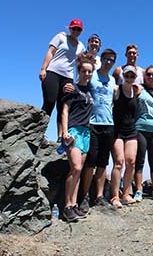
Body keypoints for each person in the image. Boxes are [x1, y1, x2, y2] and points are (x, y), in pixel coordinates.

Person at [65, 49, 118, 213]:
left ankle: (99, 196)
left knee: (103, 162)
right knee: (90, 163)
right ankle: (84, 196)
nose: (109, 62)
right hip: (92, 124)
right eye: (106, 59)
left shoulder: (113, 79)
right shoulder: (92, 75)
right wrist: (67, 85)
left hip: (108, 124)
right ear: (101, 59)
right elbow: (79, 84)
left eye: (112, 60)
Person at [39, 19, 86, 142]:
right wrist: (43, 69)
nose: (76, 31)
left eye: (78, 29)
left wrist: (78, 81)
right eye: (74, 28)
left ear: (81, 31)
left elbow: (79, 64)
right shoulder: (60, 37)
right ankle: (39, 132)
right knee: (49, 102)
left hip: (68, 77)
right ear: (69, 28)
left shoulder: (81, 46)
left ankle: (60, 137)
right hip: (53, 72)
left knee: (63, 106)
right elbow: (50, 52)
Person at [60, 56, 94, 222]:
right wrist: (65, 132)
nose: (87, 73)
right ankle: (66, 206)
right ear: (78, 71)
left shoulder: (90, 90)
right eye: (84, 71)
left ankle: (73, 205)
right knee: (75, 167)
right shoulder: (72, 88)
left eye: (89, 71)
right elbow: (65, 110)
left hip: (86, 132)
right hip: (74, 131)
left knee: (79, 170)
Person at [110, 65, 142, 208]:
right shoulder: (116, 90)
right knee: (119, 162)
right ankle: (115, 195)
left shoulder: (136, 91)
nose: (129, 78)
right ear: (123, 75)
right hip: (117, 131)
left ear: (135, 77)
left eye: (132, 76)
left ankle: (126, 194)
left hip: (131, 131)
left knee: (131, 162)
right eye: (127, 75)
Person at [134, 65, 153, 202]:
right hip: (140, 127)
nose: (151, 77)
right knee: (139, 160)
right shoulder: (138, 88)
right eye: (149, 74)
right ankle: (138, 190)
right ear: (144, 75)